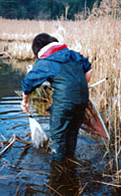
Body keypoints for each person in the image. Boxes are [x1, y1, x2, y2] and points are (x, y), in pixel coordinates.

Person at [21, 33, 92, 162]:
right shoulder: (73, 55)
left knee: (58, 138)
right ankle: (70, 161)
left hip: (64, 103)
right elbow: (89, 69)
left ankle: (57, 171)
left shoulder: (46, 62)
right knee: (72, 134)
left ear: (38, 50)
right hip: (82, 100)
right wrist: (79, 88)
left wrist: (25, 101)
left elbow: (28, 82)